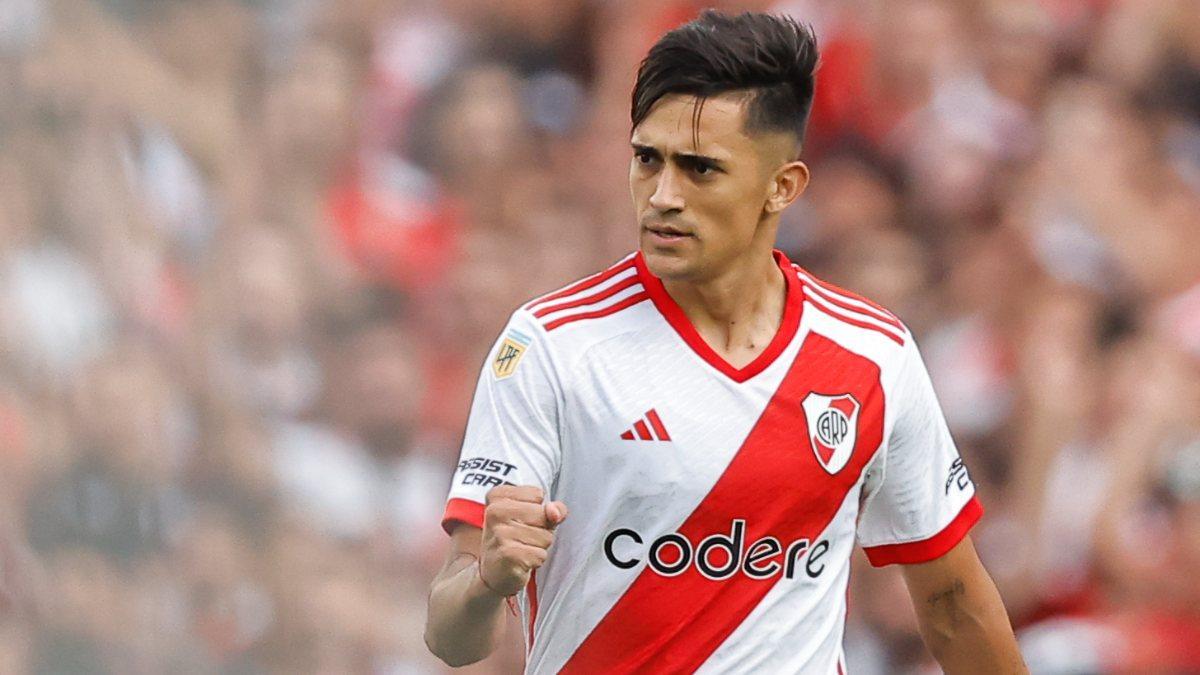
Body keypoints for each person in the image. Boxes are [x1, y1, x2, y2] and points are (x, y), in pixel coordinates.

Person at [425, 11, 1027, 673]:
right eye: (647, 159)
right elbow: (452, 637)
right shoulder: (552, 345)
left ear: (782, 187)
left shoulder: (872, 355)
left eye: (700, 169)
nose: (662, 196)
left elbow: (953, 604)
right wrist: (487, 582)